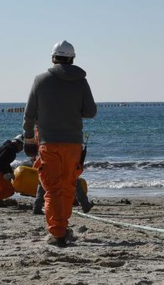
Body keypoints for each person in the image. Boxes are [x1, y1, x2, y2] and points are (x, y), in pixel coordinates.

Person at [22, 40, 97, 247]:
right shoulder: (81, 81)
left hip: (48, 143)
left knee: (52, 189)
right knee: (67, 187)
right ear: (72, 58)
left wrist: (28, 140)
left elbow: (29, 115)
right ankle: (62, 227)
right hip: (73, 144)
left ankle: (57, 232)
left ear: (53, 58)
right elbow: (90, 112)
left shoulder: (40, 80)